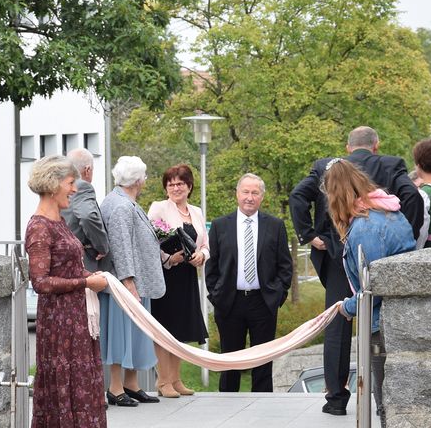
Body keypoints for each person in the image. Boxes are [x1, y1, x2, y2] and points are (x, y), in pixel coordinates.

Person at [288, 126, 422, 415]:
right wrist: (403, 232)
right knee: (380, 321)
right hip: (376, 257)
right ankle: (383, 396)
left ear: (348, 147)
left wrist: (309, 236)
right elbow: (412, 195)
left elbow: (297, 196)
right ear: (376, 145)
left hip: (337, 254)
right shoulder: (390, 165)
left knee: (339, 325)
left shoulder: (326, 167)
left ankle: (336, 398)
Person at [24, 155, 110, 428]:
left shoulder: (59, 222)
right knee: (60, 395)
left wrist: (88, 279)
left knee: (73, 395)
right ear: (53, 184)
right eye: (70, 183)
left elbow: (67, 269)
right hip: (58, 325)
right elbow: (40, 282)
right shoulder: (39, 226)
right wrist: (85, 282)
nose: (75, 189)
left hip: (75, 321)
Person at [323, 159, 416, 426]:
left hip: (383, 324)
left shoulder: (365, 228)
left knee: (387, 404)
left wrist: (347, 307)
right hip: (403, 317)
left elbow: (374, 285)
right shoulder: (386, 211)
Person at [206, 173, 293, 393]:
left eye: (255, 193)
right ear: (237, 194)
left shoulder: (275, 225)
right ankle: (227, 405)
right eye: (245, 192)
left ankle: (262, 406)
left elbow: (285, 265)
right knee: (230, 362)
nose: (249, 197)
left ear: (262, 197)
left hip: (263, 301)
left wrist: (277, 295)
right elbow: (212, 266)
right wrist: (216, 296)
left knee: (262, 362)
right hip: (229, 302)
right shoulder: (219, 225)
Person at [99, 156, 166, 407]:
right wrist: (128, 282)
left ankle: (131, 383)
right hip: (125, 284)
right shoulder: (121, 206)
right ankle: (115, 387)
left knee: (136, 333)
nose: (145, 180)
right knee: (121, 334)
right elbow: (121, 247)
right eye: (144, 176)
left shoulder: (123, 201)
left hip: (137, 281)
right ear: (138, 180)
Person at [147, 164, 210, 398]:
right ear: (165, 188)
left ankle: (176, 379)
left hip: (188, 276)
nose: (175, 188)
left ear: (189, 186)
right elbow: (148, 241)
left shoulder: (197, 211)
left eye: (180, 183)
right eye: (171, 184)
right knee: (165, 329)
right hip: (166, 276)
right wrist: (168, 259)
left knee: (180, 330)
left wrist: (202, 255)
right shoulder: (159, 208)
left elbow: (205, 244)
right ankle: (163, 381)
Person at [61, 148, 112, 271]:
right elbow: (87, 216)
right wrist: (102, 246)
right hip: (84, 261)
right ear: (87, 170)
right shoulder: (82, 186)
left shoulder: (60, 187)